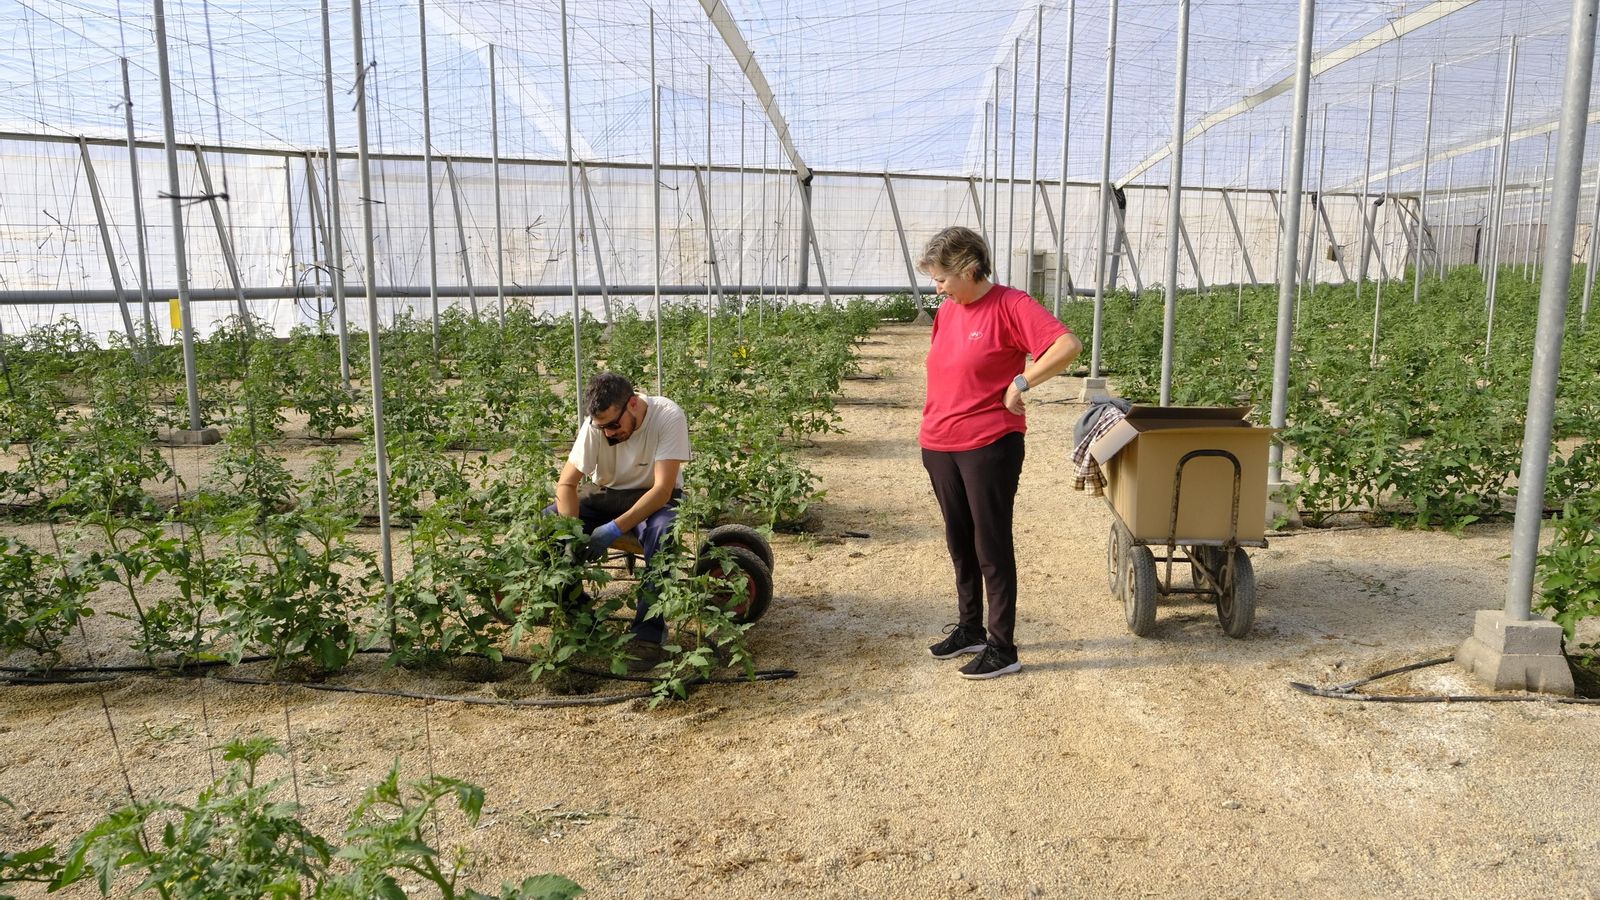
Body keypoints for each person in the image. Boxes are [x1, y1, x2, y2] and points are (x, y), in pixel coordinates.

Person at [918, 226, 1083, 680]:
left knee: (990, 543)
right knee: (959, 540)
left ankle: (1002, 647)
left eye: (943, 279)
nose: (938, 289)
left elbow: (1067, 345)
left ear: (970, 268)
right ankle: (970, 628)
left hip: (989, 443)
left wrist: (1021, 382)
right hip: (940, 443)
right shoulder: (948, 312)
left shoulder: (1011, 305)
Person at [554, 372, 692, 657]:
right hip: (607, 494)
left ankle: (647, 633)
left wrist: (614, 529)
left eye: (614, 425)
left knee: (663, 533)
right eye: (602, 427)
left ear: (632, 404)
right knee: (547, 526)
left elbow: (662, 490)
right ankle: (580, 616)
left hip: (654, 497)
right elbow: (566, 485)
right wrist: (568, 534)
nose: (608, 433)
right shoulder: (596, 426)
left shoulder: (667, 416)